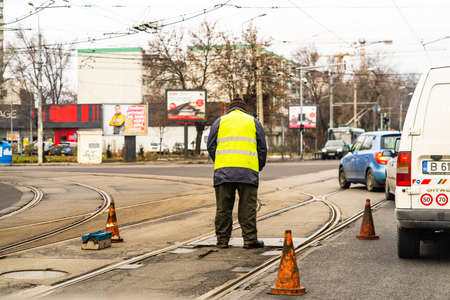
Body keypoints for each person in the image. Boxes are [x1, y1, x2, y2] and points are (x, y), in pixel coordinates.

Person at [207, 97, 267, 249]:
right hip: (247, 171)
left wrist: (220, 160)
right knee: (247, 207)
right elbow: (262, 148)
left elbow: (210, 145)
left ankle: (222, 240)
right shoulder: (253, 121)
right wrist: (257, 165)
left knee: (223, 208)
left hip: (223, 172)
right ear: (244, 109)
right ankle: (249, 240)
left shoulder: (219, 122)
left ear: (230, 109)